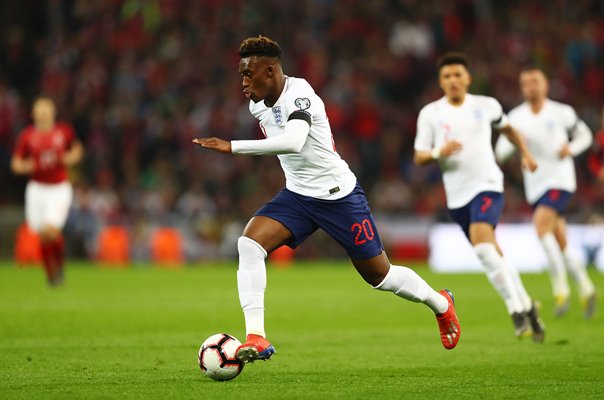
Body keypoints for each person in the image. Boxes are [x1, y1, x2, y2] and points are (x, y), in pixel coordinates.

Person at [193, 35, 461, 363]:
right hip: (298, 196)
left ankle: (441, 304)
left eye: (249, 74)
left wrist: (232, 145)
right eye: (241, 76)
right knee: (249, 244)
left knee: (381, 276)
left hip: (339, 196)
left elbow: (293, 142)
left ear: (271, 71)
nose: (244, 83)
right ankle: (256, 337)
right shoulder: (257, 105)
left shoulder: (300, 94)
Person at [413, 53, 545, 342]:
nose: (453, 81)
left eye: (458, 75)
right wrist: (439, 152)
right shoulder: (431, 113)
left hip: (487, 185)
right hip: (456, 196)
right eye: (447, 76)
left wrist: (526, 154)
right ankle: (528, 306)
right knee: (493, 252)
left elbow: (509, 129)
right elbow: (419, 155)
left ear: (468, 78)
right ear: (441, 81)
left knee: (484, 248)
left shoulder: (486, 106)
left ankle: (516, 311)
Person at [495, 67, 596, 318]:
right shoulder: (516, 118)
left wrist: (571, 149)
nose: (531, 87)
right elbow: (500, 153)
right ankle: (586, 287)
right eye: (526, 83)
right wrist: (516, 143)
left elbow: (585, 135)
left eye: (535, 82)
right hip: (535, 184)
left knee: (540, 227)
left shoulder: (562, 112)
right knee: (560, 241)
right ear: (521, 88)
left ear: (545, 85)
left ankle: (560, 289)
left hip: (560, 180)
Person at [11, 97, 84, 286]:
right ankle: (51, 272)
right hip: (36, 189)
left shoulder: (64, 132)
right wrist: (27, 166)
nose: (43, 114)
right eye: (39, 110)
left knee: (50, 230)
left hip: (58, 189)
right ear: (33, 113)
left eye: (46, 110)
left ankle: (57, 268)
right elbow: (16, 163)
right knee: (42, 235)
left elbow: (77, 149)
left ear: (53, 112)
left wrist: (70, 158)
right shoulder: (27, 136)